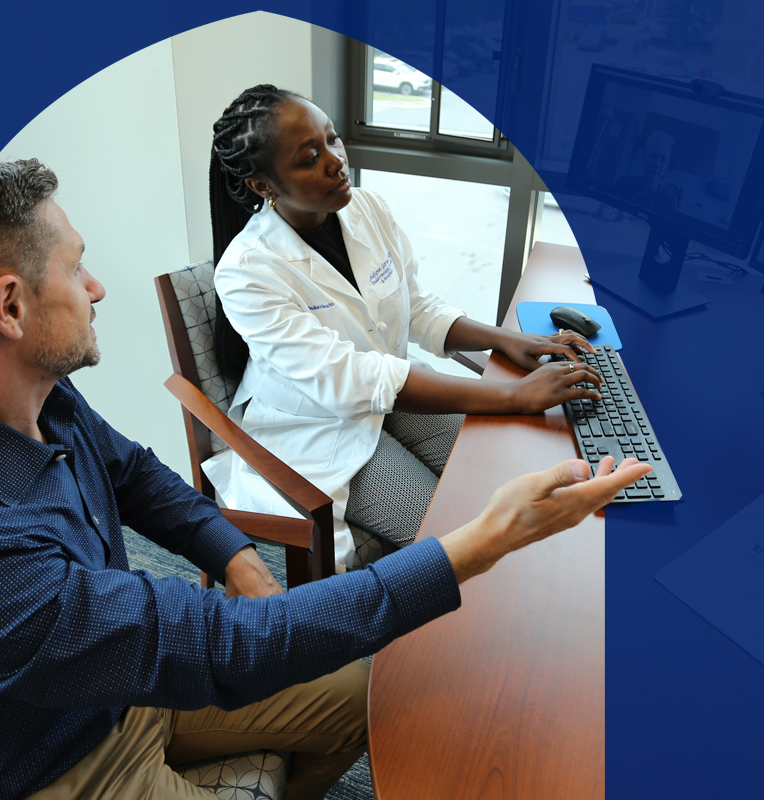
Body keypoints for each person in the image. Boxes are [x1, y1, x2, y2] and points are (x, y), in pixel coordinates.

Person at [0, 160, 649, 800]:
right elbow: (228, 646)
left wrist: (235, 556)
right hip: (47, 765)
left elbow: (137, 475)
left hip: (122, 684)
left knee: (362, 699)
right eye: (75, 265)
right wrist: (482, 541)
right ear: (10, 308)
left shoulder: (34, 395)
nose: (95, 288)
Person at [211, 85, 606, 570]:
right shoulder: (247, 271)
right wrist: (513, 395)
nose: (336, 161)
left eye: (334, 139)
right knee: (461, 538)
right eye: (310, 157)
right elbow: (348, 382)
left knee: (504, 476)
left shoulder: (367, 209)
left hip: (396, 394)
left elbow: (417, 307)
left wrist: (508, 339)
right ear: (263, 186)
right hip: (322, 431)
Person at [613, 129, 680, 211]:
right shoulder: (623, 183)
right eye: (653, 156)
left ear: (666, 167)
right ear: (644, 159)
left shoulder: (670, 200)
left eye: (663, 160)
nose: (657, 164)